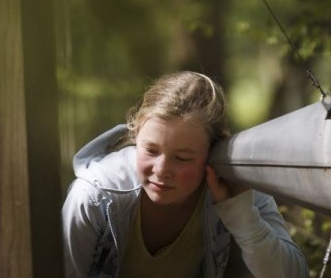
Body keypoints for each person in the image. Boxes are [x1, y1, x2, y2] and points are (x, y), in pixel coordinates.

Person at [62, 71, 309, 278]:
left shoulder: (237, 187)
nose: (161, 170)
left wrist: (241, 215)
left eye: (182, 158)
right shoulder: (93, 197)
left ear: (213, 152)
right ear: (136, 135)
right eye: (150, 150)